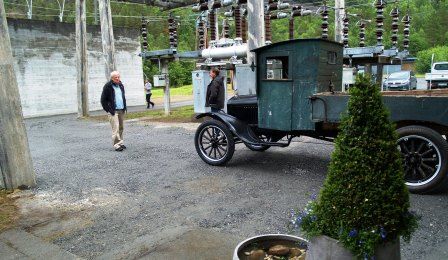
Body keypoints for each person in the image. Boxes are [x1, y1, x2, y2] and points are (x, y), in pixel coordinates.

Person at [101, 71, 127, 152]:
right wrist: (108, 110)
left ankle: (120, 142)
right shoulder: (108, 86)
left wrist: (124, 107)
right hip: (113, 110)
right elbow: (103, 100)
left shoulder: (121, 85)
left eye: (118, 77)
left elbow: (122, 97)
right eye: (116, 77)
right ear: (112, 78)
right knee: (115, 127)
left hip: (121, 109)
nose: (118, 78)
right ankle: (116, 145)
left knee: (121, 127)